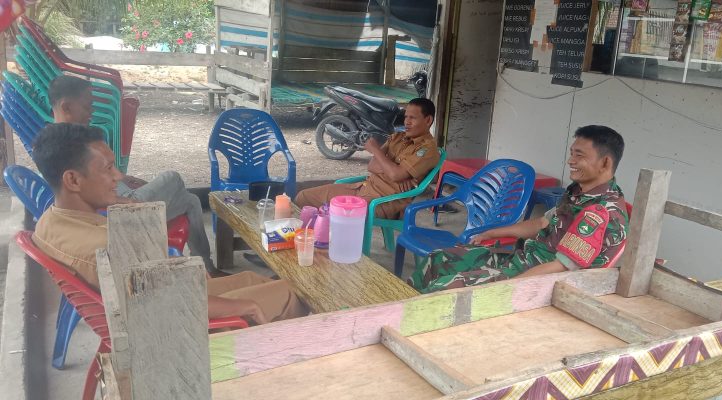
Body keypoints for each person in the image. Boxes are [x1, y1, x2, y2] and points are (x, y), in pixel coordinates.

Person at [31, 123, 308, 325]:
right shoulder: (109, 250)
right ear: (73, 180)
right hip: (178, 331)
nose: (118, 176)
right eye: (107, 168)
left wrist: (178, 264)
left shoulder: (50, 221)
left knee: (250, 278)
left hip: (162, 297)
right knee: (293, 293)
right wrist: (246, 306)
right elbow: (174, 304)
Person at [412, 125, 629, 293]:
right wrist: (491, 233)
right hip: (523, 260)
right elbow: (542, 223)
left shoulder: (600, 212)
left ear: (605, 163)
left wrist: (506, 288)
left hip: (540, 283)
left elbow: (561, 268)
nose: (570, 161)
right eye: (571, 153)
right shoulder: (578, 192)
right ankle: (400, 311)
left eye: (579, 155)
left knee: (443, 289)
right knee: (437, 259)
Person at [48, 76, 221, 276]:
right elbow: (89, 200)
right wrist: (128, 201)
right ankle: (205, 269)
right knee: (173, 177)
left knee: (191, 201)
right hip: (121, 210)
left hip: (121, 197)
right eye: (87, 107)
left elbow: (94, 180)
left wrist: (123, 178)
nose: (92, 112)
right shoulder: (64, 148)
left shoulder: (64, 138)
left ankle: (207, 266)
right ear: (67, 107)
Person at [295, 98, 440, 219]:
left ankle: (327, 242)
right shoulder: (398, 137)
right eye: (406, 116)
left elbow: (394, 174)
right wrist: (396, 172)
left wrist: (376, 150)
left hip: (384, 201)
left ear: (428, 120)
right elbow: (372, 166)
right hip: (363, 189)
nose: (407, 122)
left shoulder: (427, 149)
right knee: (303, 197)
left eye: (412, 118)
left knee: (338, 215)